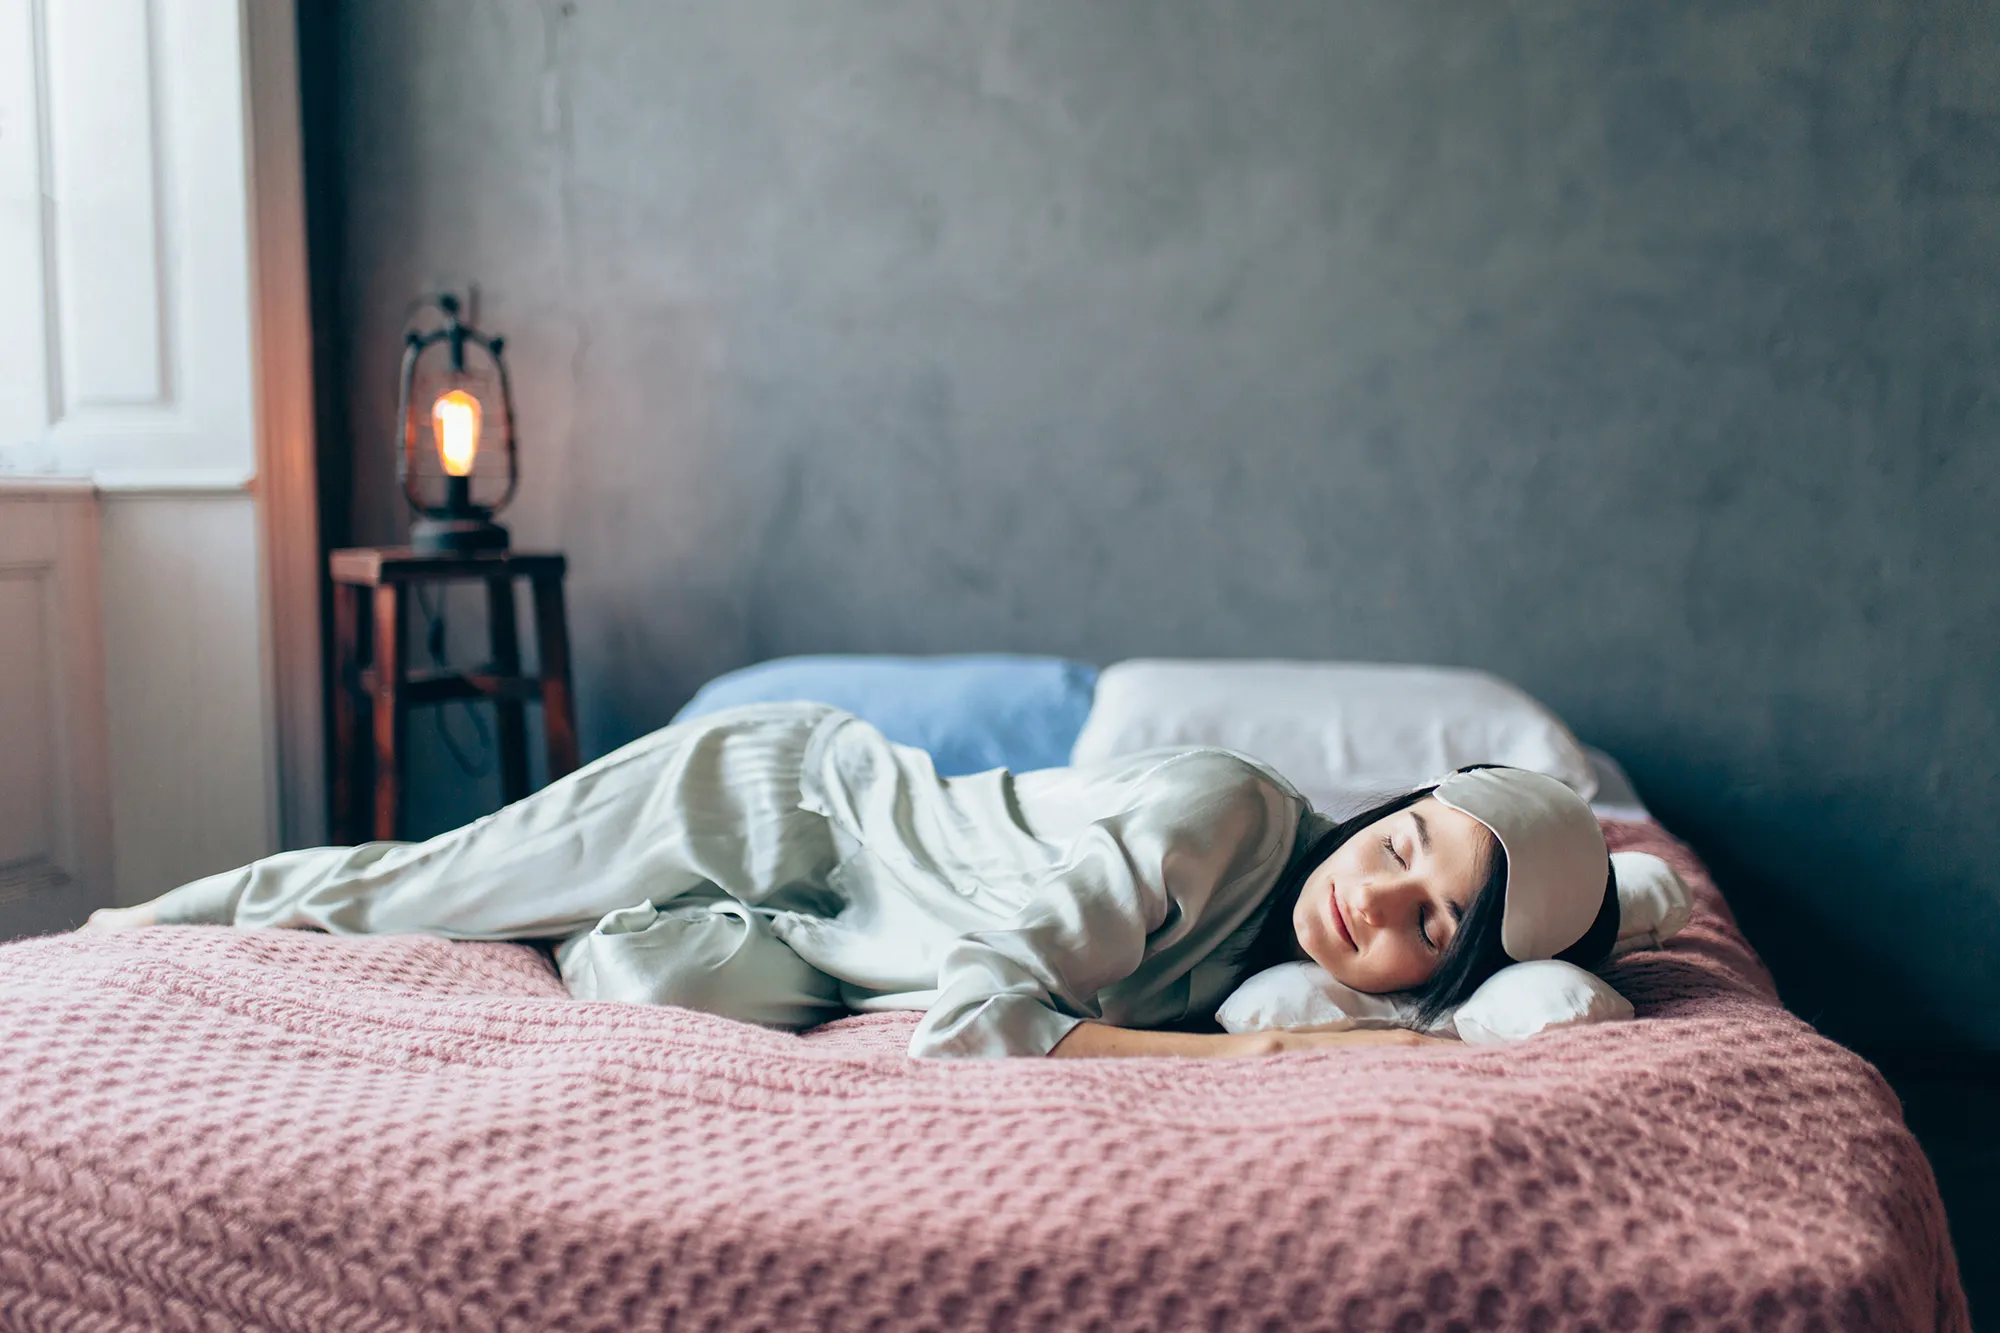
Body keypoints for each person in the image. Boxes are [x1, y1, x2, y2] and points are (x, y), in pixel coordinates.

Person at [81, 702, 1619, 1059]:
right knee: (426, 891)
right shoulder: (1223, 811)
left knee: (669, 983)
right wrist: (1252, 1074)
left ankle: (606, 935)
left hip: (831, 954)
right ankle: (153, 914)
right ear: (1390, 807)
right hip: (785, 809)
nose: (1382, 903)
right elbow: (975, 1022)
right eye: (1404, 847)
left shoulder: (1294, 984)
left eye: (1433, 930)